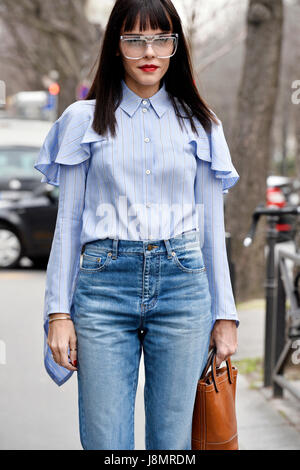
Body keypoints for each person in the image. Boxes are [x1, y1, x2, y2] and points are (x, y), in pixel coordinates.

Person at [34, 0, 240, 451]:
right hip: (103, 286)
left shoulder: (201, 125)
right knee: (107, 442)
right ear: (115, 47)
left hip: (183, 286)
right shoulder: (81, 121)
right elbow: (67, 224)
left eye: (161, 38)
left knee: (173, 444)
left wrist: (225, 316)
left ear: (175, 47)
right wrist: (57, 313)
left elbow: (210, 227)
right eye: (135, 39)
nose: (149, 50)